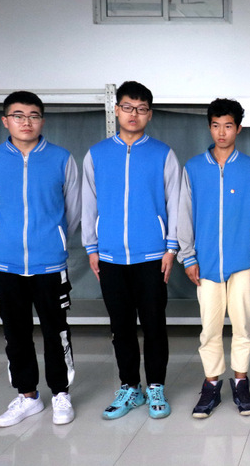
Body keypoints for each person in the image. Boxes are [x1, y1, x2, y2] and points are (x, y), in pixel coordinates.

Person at [82, 81, 180, 420]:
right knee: (120, 326)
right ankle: (129, 387)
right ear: (117, 110)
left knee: (154, 325)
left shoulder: (163, 153)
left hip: (152, 256)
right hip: (110, 257)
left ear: (149, 114)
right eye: (127, 107)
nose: (133, 114)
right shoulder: (96, 154)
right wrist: (91, 247)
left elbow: (175, 202)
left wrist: (171, 247)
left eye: (140, 109)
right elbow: (88, 203)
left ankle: (156, 387)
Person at [0, 91, 80, 427]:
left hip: (50, 262)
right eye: (18, 115)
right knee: (15, 332)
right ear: (5, 120)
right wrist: (8, 234)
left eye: (34, 115)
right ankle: (28, 396)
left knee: (56, 331)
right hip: (6, 262)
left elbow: (73, 210)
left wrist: (55, 237)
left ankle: (61, 393)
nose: (26, 122)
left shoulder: (61, 158)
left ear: (42, 120)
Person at [177, 98, 250, 418]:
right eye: (216, 125)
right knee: (210, 329)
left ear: (238, 129)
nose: (221, 132)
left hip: (244, 262)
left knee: (242, 326)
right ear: (209, 127)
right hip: (206, 264)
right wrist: (188, 257)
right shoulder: (193, 168)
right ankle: (212, 385)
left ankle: (241, 383)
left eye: (228, 126)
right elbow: (184, 214)